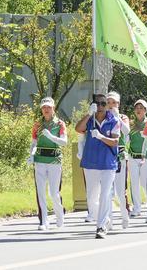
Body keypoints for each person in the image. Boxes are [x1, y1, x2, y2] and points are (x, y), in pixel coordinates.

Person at [76, 94, 121, 239]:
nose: (100, 106)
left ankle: (101, 226)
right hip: (91, 162)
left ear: (107, 106)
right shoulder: (90, 119)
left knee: (105, 195)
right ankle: (104, 217)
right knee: (91, 197)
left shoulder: (113, 120)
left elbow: (115, 142)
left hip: (108, 163)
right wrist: (89, 114)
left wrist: (101, 137)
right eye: (98, 103)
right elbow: (78, 128)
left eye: (103, 103)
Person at [26, 97, 68, 230]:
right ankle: (44, 221)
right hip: (40, 160)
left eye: (49, 107)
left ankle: (59, 215)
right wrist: (31, 155)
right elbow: (34, 142)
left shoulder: (60, 123)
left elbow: (64, 142)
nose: (46, 110)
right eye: (44, 107)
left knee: (54, 192)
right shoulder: (37, 124)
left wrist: (51, 136)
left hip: (54, 160)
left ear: (53, 108)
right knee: (40, 192)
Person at [106, 91, 131, 229]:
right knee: (107, 191)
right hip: (106, 155)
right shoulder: (104, 117)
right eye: (109, 102)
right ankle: (109, 219)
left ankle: (125, 215)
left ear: (118, 104)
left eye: (114, 103)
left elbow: (127, 131)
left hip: (120, 155)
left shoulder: (123, 117)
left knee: (120, 191)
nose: (111, 105)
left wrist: (118, 118)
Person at [128, 99, 147, 219]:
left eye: (141, 108)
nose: (139, 110)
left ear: (146, 110)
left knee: (145, 183)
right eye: (137, 108)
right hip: (132, 156)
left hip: (145, 158)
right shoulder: (131, 124)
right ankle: (136, 208)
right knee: (134, 183)